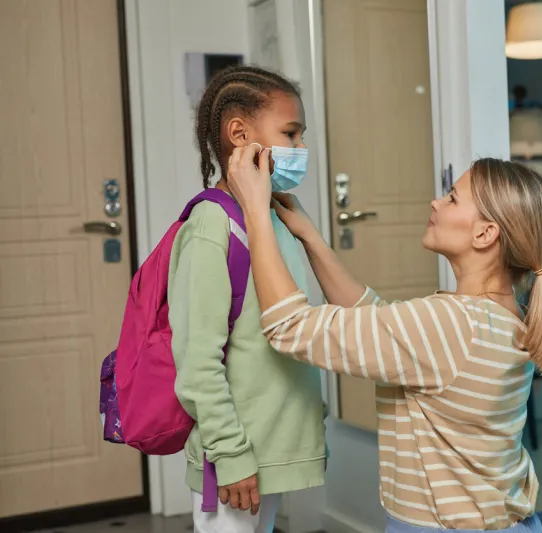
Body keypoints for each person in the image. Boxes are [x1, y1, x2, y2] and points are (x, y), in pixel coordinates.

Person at [227, 149, 542, 532]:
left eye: (453, 198)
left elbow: (289, 326)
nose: (435, 203)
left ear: (485, 233)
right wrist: (309, 236)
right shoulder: (499, 317)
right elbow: (377, 322)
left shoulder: (450, 324)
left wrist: (256, 212)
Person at [169, 66, 327, 533]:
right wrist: (230, 454)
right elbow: (197, 361)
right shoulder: (211, 227)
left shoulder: (276, 220)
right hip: (236, 456)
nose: (300, 149)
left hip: (273, 449)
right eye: (290, 134)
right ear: (240, 133)